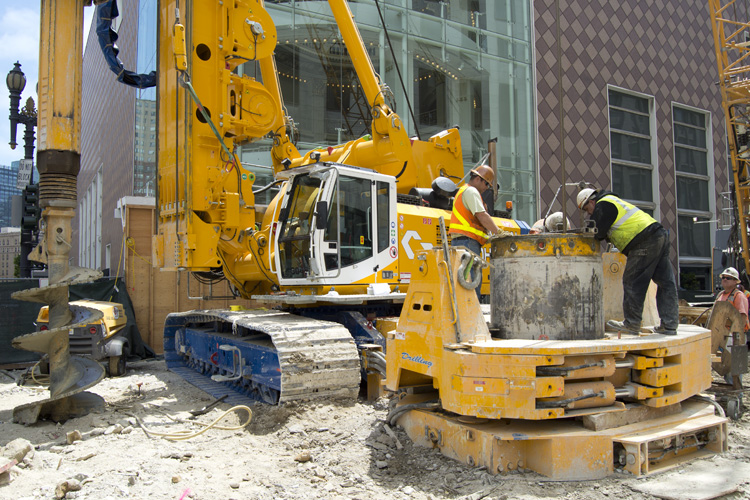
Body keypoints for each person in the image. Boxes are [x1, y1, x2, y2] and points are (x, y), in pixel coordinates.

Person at [577, 188, 679, 335]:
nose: (590, 213)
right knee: (665, 283)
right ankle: (669, 325)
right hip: (658, 235)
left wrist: (587, 231)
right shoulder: (614, 201)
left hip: (642, 241)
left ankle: (632, 324)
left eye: (587, 209)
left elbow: (598, 233)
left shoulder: (603, 204)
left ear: (591, 201)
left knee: (633, 282)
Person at [449, 165, 500, 299]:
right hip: (468, 242)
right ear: (478, 179)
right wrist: (498, 232)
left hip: (463, 241)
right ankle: (471, 314)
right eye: (487, 184)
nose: (486, 188)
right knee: (471, 280)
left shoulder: (463, 191)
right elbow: (482, 216)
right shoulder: (471, 191)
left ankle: (466, 313)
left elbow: (472, 221)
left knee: (464, 280)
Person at [716, 267, 750, 332]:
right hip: (720, 333)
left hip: (732, 335)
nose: (725, 279)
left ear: (735, 281)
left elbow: (742, 317)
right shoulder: (720, 294)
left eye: (728, 278)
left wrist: (736, 335)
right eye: (723, 277)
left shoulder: (738, 295)